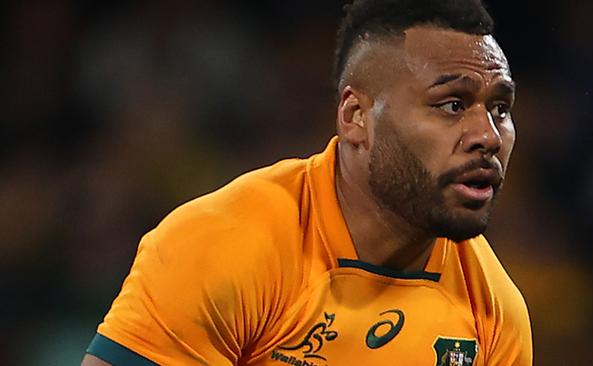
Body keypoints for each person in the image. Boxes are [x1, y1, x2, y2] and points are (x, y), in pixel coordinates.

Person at [82, 0, 532, 364]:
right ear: (356, 117)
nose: (487, 137)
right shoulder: (224, 245)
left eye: (499, 109)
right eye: (452, 104)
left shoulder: (494, 314)